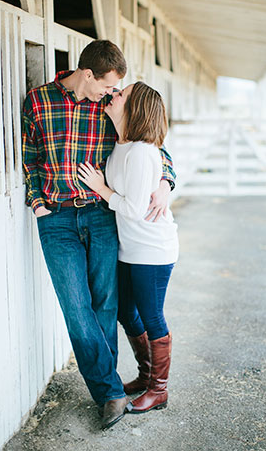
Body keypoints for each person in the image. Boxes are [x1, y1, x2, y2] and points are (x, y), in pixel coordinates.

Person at [21, 39, 175, 430]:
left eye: (115, 89)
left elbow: (153, 143)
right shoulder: (38, 101)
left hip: (102, 217)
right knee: (77, 309)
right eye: (108, 85)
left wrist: (165, 179)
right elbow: (30, 156)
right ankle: (109, 391)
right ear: (88, 75)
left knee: (106, 304)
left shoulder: (109, 107)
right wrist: (37, 199)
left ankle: (111, 390)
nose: (112, 93)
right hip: (56, 220)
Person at [78, 81, 177, 415]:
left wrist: (100, 188)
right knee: (125, 310)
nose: (114, 94)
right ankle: (147, 375)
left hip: (151, 248)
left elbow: (134, 208)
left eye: (122, 94)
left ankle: (159, 390)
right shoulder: (121, 144)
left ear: (134, 108)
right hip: (130, 247)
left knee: (151, 316)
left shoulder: (140, 152)